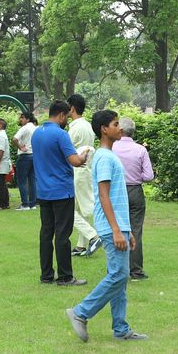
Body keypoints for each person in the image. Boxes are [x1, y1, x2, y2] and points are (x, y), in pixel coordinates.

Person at [66, 110, 146, 342]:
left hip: (119, 226)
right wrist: (116, 230)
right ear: (104, 129)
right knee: (119, 275)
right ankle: (81, 312)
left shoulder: (109, 155)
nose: (120, 128)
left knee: (119, 279)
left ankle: (121, 329)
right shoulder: (103, 157)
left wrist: (126, 230)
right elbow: (104, 196)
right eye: (115, 124)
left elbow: (117, 197)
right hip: (111, 227)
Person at [32, 100, 90, 286]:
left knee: (46, 233)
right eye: (67, 117)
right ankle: (65, 277)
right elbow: (75, 161)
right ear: (62, 115)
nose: (67, 121)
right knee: (63, 235)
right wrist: (84, 155)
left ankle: (46, 275)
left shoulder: (36, 133)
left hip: (43, 191)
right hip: (62, 192)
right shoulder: (60, 134)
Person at [114, 117, 155, 281]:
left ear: (120, 130)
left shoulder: (112, 148)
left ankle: (118, 269)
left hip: (117, 191)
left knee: (117, 228)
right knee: (135, 230)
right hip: (135, 191)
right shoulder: (140, 150)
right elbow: (149, 176)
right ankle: (136, 270)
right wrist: (136, 176)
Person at [67, 94, 102, 257]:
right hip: (86, 169)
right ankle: (81, 245)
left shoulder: (75, 127)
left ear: (72, 108)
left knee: (68, 210)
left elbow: (67, 149)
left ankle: (92, 235)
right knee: (80, 208)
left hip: (77, 169)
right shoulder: (87, 125)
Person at [13, 112, 37, 210]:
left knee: (22, 180)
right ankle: (32, 204)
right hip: (34, 156)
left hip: (25, 156)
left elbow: (14, 139)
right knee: (32, 180)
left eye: (22, 118)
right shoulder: (36, 128)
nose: (21, 119)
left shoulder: (24, 128)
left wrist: (20, 147)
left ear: (28, 119)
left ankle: (25, 204)